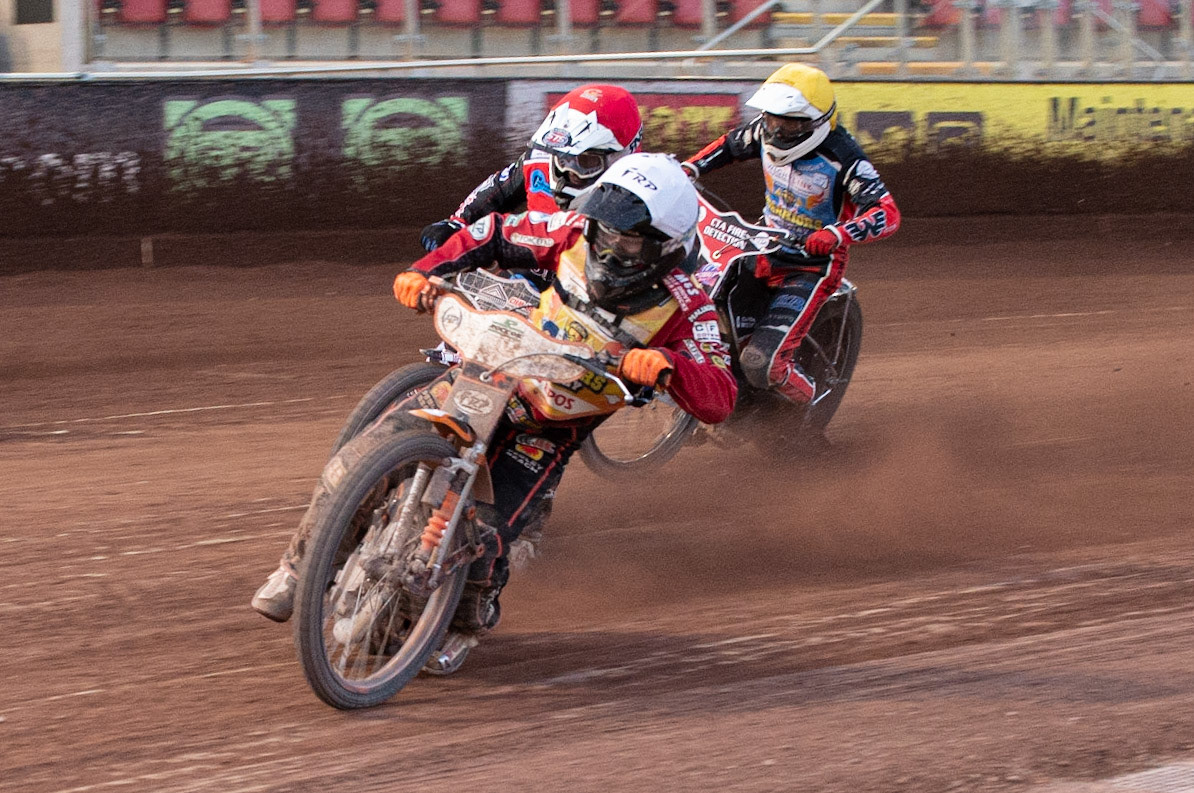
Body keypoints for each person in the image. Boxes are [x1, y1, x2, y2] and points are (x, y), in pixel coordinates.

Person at [252, 153, 738, 675]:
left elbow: (721, 393)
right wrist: (425, 273)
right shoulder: (572, 231)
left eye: (626, 239)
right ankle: (297, 571)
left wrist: (666, 365)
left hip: (552, 426)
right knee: (358, 460)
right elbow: (491, 232)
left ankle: (464, 622)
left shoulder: (689, 306)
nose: (607, 244)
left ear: (665, 245)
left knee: (485, 539)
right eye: (603, 229)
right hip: (495, 372)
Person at [684, 63, 900, 407]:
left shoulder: (845, 158)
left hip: (811, 266)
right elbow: (728, 146)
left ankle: (811, 408)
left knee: (762, 364)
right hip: (761, 246)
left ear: (815, 122)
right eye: (772, 120)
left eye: (789, 123)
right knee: (700, 301)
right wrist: (688, 168)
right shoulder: (763, 131)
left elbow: (886, 213)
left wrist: (836, 234)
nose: (777, 131)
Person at [418, 83, 644, 254]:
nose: (568, 173)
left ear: (622, 156)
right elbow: (499, 189)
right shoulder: (540, 160)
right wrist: (458, 223)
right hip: (530, 275)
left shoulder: (647, 198)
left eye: (585, 162)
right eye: (562, 158)